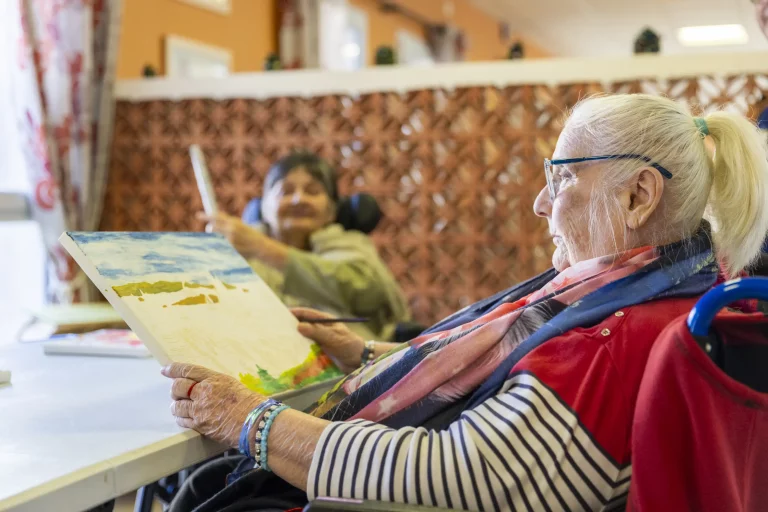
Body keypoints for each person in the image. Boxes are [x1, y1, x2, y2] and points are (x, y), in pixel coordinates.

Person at [164, 94, 768, 512]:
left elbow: (454, 474)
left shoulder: (611, 340)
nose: (540, 203)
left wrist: (251, 420)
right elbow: (500, 381)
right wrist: (365, 353)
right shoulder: (661, 289)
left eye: (561, 178)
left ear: (639, 196)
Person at [200, 151, 410, 341]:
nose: (298, 199)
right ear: (263, 207)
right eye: (286, 191)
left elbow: (364, 293)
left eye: (312, 191)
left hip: (350, 367)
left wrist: (264, 249)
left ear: (332, 210)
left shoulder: (353, 245)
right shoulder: (238, 251)